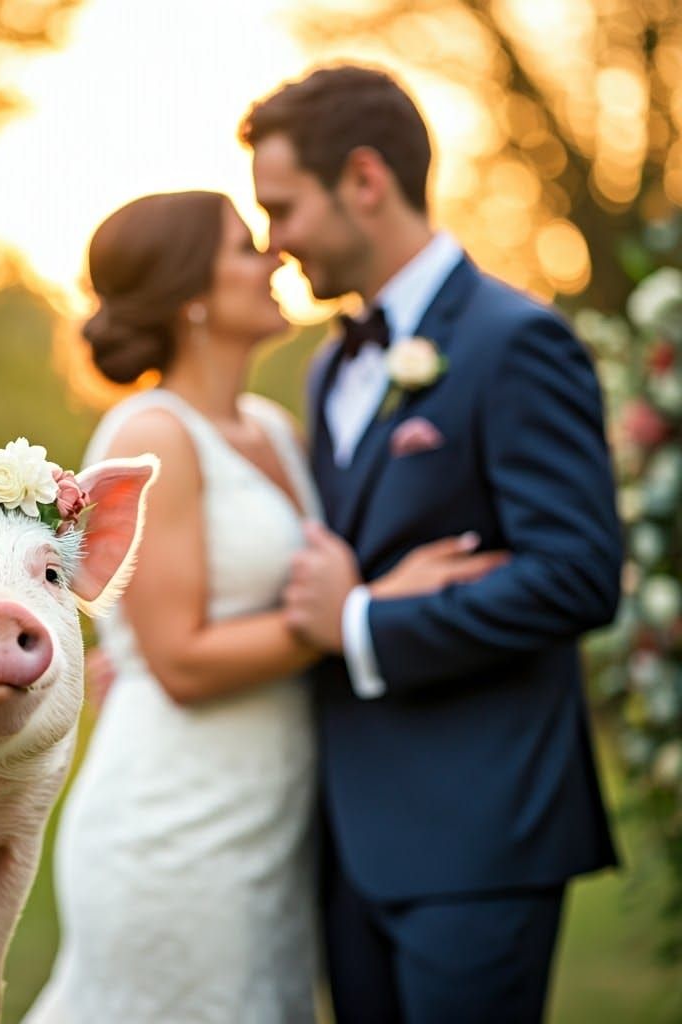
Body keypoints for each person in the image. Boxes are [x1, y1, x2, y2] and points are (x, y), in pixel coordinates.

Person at [24, 190, 502, 1023]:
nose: (274, 258)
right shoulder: (151, 434)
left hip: (275, 825)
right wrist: (371, 607)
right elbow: (178, 663)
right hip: (177, 827)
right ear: (192, 294)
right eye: (245, 247)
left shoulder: (276, 430)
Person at [238, 64, 622, 1023]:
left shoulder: (516, 341)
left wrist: (363, 620)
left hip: (481, 832)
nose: (274, 244)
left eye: (283, 208)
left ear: (364, 180)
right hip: (348, 838)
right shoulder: (329, 370)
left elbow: (578, 576)